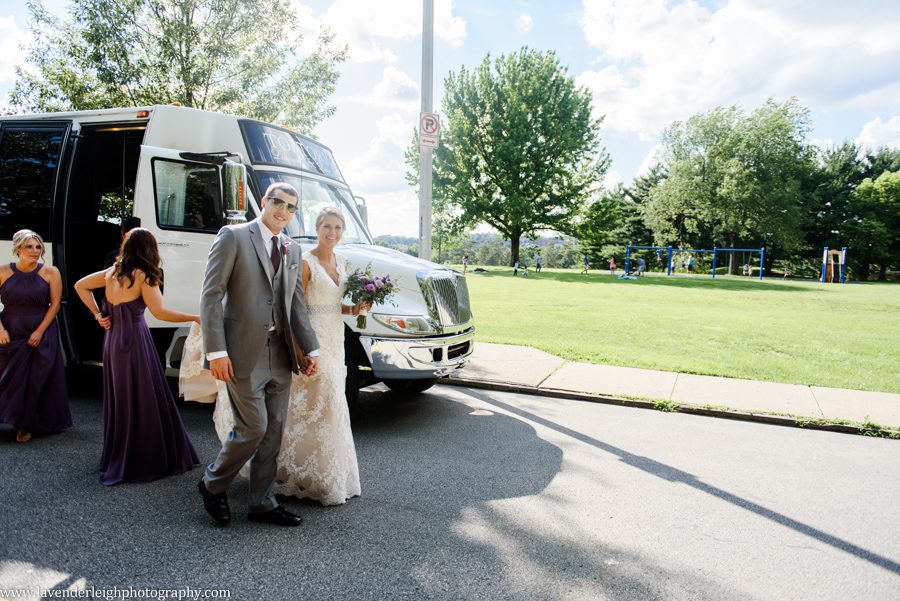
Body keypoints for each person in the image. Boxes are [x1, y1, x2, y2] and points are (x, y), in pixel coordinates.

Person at [198, 182, 319, 527]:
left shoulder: (292, 249)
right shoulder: (233, 236)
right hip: (240, 351)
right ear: (264, 202)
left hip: (280, 352)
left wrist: (308, 349)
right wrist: (217, 350)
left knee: (274, 431)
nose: (283, 211)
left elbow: (296, 305)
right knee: (254, 426)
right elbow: (210, 295)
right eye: (277, 203)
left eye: (291, 207)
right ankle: (212, 482)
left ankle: (262, 502)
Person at [75, 228, 200, 485]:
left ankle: (121, 453)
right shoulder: (144, 275)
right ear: (149, 248)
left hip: (112, 342)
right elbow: (161, 313)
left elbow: (80, 286)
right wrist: (195, 317)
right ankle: (145, 457)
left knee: (123, 397)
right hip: (134, 340)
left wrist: (98, 314)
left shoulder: (112, 272)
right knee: (144, 396)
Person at [275, 206, 364, 505]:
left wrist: (357, 309)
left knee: (326, 404)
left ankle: (324, 475)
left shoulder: (345, 262)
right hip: (312, 338)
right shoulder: (305, 261)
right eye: (327, 226)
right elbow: (292, 307)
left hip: (335, 337)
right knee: (324, 400)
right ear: (317, 227)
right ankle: (294, 470)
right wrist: (300, 348)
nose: (332, 233)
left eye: (338, 227)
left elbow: (336, 306)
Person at [0, 230, 71, 443]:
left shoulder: (51, 272)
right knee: (11, 378)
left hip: (42, 329)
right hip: (10, 329)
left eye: (38, 247)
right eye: (29, 247)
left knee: (36, 380)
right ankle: (15, 418)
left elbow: (56, 304)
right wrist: (1, 329)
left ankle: (25, 426)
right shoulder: (3, 271)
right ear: (17, 249)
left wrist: (40, 331)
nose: (34, 251)